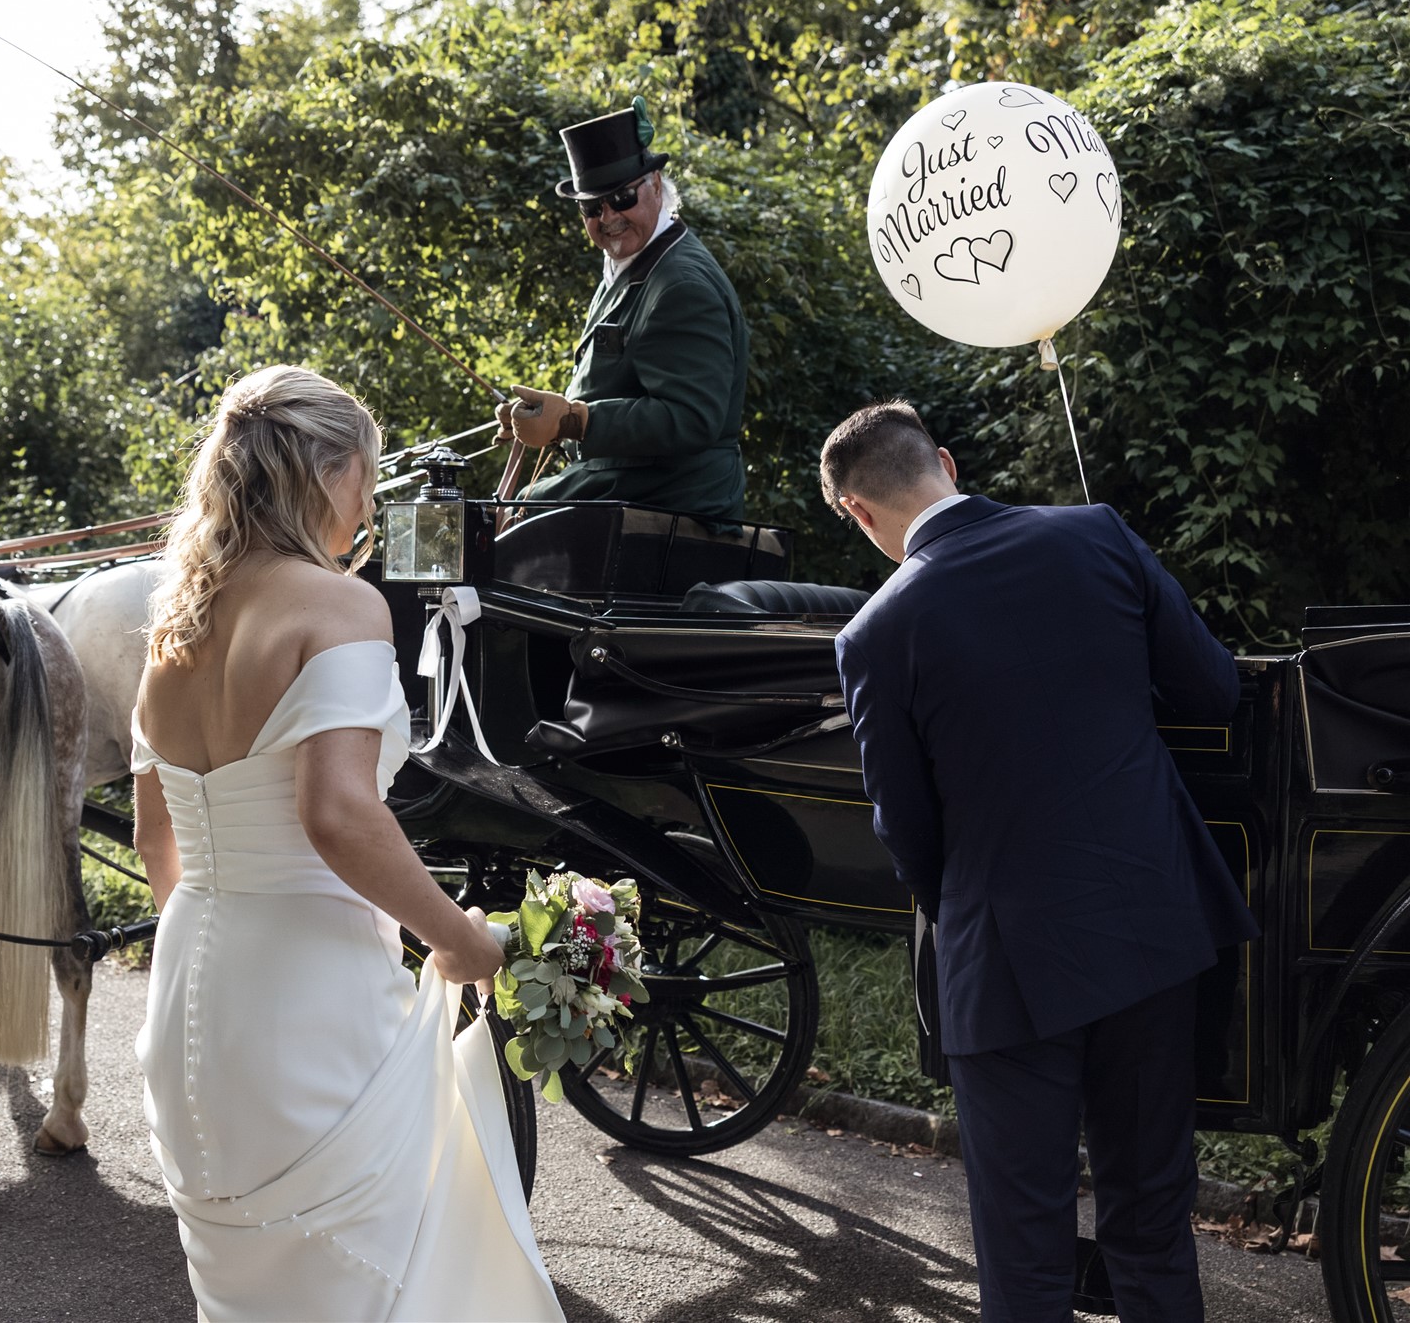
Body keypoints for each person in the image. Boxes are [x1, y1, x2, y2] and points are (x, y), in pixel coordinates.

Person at [130, 364, 565, 1322]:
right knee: (374, 1275)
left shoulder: (174, 623)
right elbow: (336, 813)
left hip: (191, 987)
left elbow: (154, 832)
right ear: (325, 473)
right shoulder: (338, 603)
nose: (369, 504)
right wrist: (458, 937)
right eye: (365, 479)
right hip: (307, 997)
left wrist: (218, 933)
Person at [821, 401, 1258, 1323]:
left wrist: (979, 908)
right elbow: (1215, 690)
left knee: (1024, 1255)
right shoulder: (1095, 534)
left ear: (858, 512)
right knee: (1153, 1226)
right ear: (943, 460)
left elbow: (909, 833)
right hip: (1151, 928)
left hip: (1009, 966)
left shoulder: (876, 632)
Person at [495, 98, 750, 523]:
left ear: (655, 183)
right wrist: (543, 415)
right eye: (592, 208)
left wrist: (575, 422)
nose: (608, 217)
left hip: (673, 502)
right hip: (623, 487)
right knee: (490, 517)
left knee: (506, 520)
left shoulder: (682, 284)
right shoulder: (630, 265)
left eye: (622, 197)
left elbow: (691, 418)